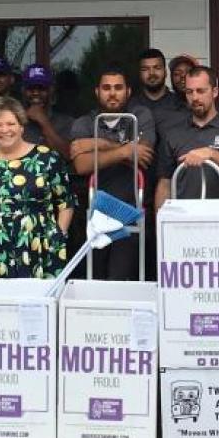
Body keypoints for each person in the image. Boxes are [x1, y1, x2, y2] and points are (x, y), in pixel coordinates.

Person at [0, 97, 75, 279]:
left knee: (38, 303)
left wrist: (59, 235)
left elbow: (65, 201)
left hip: (40, 245)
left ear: (21, 126)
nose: (5, 130)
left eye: (11, 123)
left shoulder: (47, 158)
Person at [68, 66, 156, 280]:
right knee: (95, 281)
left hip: (130, 213)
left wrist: (95, 143)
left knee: (121, 280)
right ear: (97, 92)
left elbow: (143, 154)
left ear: (128, 91)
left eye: (118, 87)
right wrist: (126, 149)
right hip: (94, 215)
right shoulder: (84, 123)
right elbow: (81, 165)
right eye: (106, 88)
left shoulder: (140, 116)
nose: (112, 93)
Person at [154, 66, 219, 206]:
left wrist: (210, 153)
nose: (195, 97)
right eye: (189, 92)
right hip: (183, 218)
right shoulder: (173, 133)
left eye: (201, 91)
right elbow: (165, 183)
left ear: (215, 92)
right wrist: (161, 221)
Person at [21, 64, 75, 157]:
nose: (36, 93)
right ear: (23, 91)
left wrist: (44, 122)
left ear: (51, 90)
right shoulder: (15, 123)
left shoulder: (68, 123)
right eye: (31, 88)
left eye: (41, 88)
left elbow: (68, 155)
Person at [128, 48, 185, 114]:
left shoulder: (180, 105)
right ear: (139, 74)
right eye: (145, 69)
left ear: (165, 72)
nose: (151, 73)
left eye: (157, 68)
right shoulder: (130, 106)